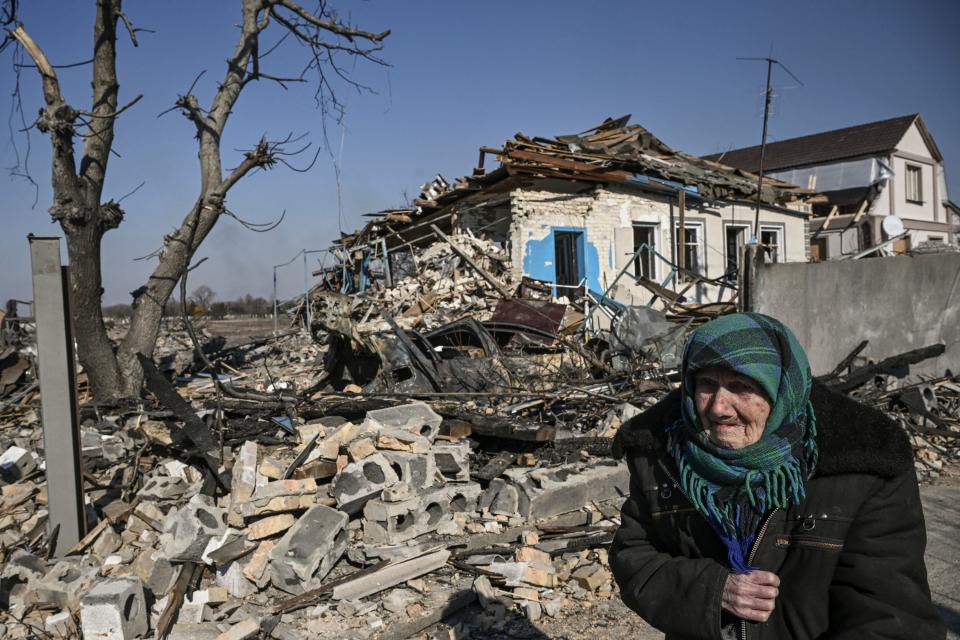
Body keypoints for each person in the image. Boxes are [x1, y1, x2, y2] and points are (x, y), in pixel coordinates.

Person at [609, 312, 945, 640]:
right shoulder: (664, 456)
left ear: (780, 388)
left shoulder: (864, 465)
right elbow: (634, 556)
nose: (718, 408)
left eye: (741, 386)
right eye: (707, 385)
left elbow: (890, 614)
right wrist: (712, 591)